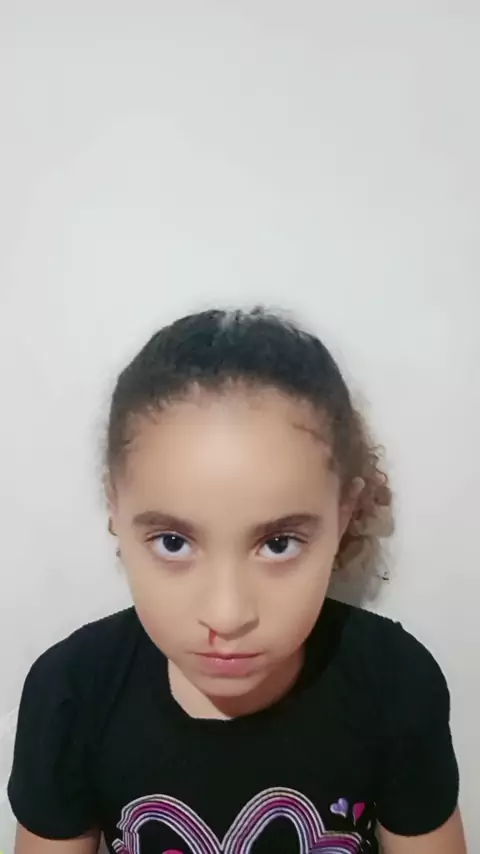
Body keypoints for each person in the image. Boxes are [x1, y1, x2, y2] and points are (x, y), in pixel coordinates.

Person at [8, 307, 466, 854]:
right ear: (114, 507)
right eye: (173, 542)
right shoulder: (72, 694)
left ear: (344, 515)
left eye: (279, 544)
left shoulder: (393, 683)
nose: (226, 616)